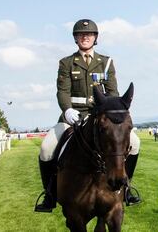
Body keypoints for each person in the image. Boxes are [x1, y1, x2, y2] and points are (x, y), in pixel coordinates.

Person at [35, 19, 142, 212]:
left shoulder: (106, 62)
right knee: (46, 148)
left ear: (95, 38)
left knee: (134, 143)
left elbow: (113, 93)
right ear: (76, 38)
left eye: (89, 34)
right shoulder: (67, 63)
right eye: (81, 35)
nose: (85, 37)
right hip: (73, 117)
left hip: (100, 117)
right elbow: (62, 91)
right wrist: (67, 110)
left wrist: (108, 114)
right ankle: (49, 194)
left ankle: (126, 189)